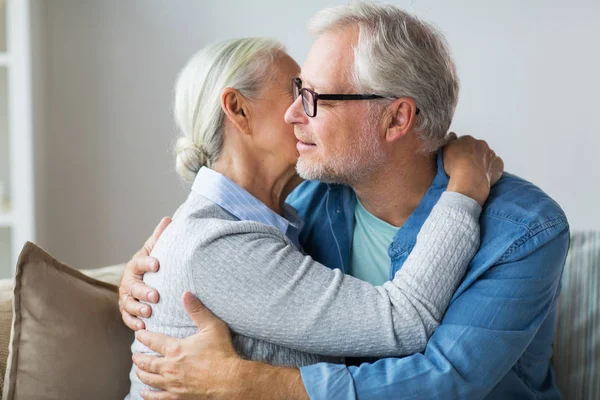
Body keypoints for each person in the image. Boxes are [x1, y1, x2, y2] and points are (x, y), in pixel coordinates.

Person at [122, 3, 569, 399]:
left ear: (396, 118)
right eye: (295, 93)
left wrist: (249, 384)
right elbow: (213, 247)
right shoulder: (307, 199)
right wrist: (143, 273)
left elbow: (443, 381)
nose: (293, 114)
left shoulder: (524, 230)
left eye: (312, 97)